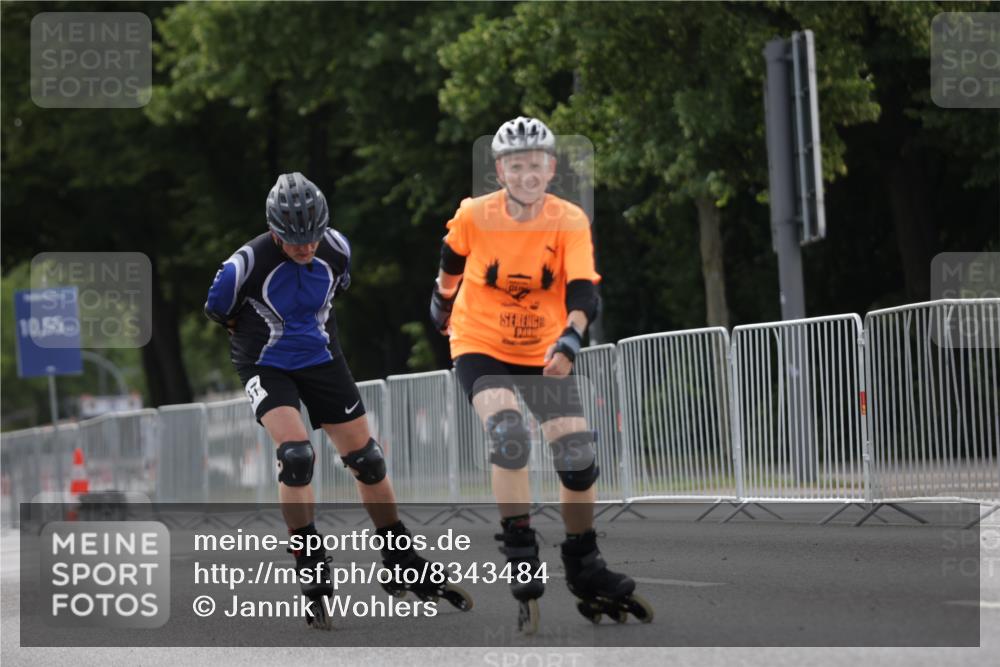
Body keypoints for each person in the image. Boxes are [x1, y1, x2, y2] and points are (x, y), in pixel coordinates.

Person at [205, 172, 471, 629]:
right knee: (296, 456)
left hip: (322, 358)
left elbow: (334, 294)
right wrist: (262, 342)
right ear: (274, 231)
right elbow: (219, 312)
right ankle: (310, 561)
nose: (305, 248)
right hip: (266, 364)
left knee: (367, 460)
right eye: (293, 241)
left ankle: (399, 553)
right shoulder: (242, 266)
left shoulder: (338, 250)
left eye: (311, 238)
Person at [429, 118, 652, 633]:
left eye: (536, 164)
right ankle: (521, 548)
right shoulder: (475, 214)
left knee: (577, 458)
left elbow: (582, 291)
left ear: (551, 168)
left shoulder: (568, 219)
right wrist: (442, 299)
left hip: (544, 348)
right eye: (516, 164)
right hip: (480, 343)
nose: (527, 174)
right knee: (508, 435)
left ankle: (584, 563)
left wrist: (572, 337)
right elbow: (451, 258)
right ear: (500, 169)